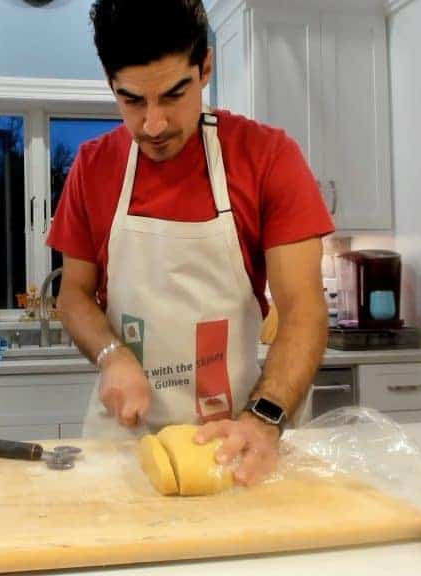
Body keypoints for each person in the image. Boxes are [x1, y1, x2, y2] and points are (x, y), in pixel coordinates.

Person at [47, 0, 334, 486]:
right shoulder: (93, 167)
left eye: (174, 94)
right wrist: (111, 355)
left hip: (234, 441)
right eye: (132, 100)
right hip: (122, 447)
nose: (153, 125)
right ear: (109, 81)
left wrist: (263, 419)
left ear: (205, 68)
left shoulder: (266, 158)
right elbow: (73, 294)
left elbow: (304, 308)